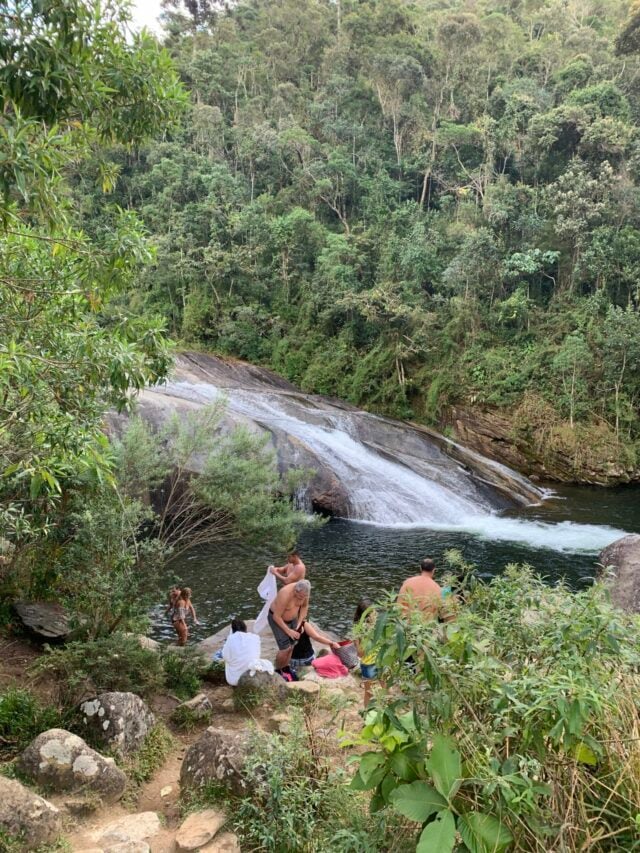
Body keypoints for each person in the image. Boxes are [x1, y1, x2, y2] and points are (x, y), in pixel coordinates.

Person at [268, 579, 311, 672]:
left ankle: (285, 668)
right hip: (277, 619)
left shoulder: (305, 592)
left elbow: (304, 607)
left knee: (292, 646)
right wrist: (288, 631)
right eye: (300, 597)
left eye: (303, 597)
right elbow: (276, 616)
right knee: (285, 649)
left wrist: (300, 623)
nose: (301, 599)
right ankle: (278, 671)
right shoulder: (285, 594)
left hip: (293, 619)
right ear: (296, 590)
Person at [221, 618, 274, 686]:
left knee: (229, 658)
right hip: (251, 676)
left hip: (233, 681)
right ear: (245, 628)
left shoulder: (231, 638)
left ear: (233, 630)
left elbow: (225, 656)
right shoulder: (255, 637)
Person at [353, 597, 378, 705]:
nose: (375, 615)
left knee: (386, 691)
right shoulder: (358, 630)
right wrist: (367, 636)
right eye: (372, 613)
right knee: (369, 693)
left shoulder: (380, 626)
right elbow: (360, 653)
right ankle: (367, 716)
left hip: (382, 661)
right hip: (368, 664)